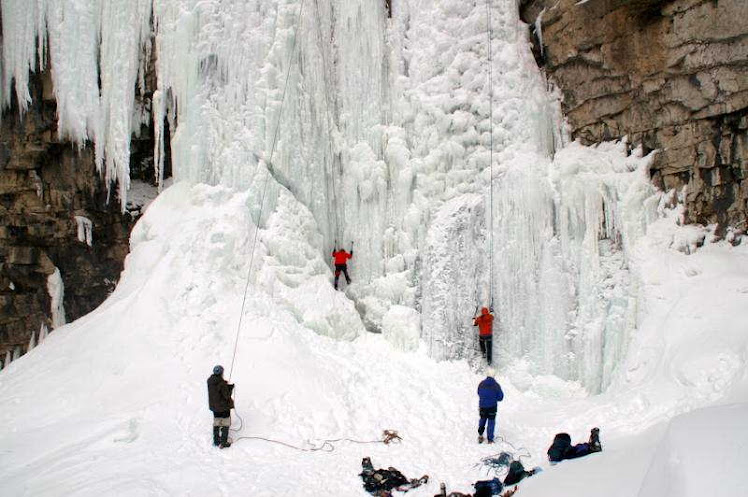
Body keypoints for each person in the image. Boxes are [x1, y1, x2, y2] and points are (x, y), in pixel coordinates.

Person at [207, 365, 234, 448]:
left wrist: (224, 384)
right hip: (223, 407)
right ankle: (223, 442)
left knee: (217, 422)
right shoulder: (221, 383)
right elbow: (226, 395)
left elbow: (217, 390)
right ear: (221, 373)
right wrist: (230, 388)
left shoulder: (210, 381)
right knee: (225, 423)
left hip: (214, 407)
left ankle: (216, 441)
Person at [477, 369, 504, 444]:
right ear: (494, 375)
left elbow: (478, 392)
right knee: (491, 423)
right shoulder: (496, 385)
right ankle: (490, 439)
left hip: (482, 406)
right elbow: (500, 397)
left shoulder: (481, 384)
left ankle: (480, 436)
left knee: (482, 420)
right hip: (492, 407)